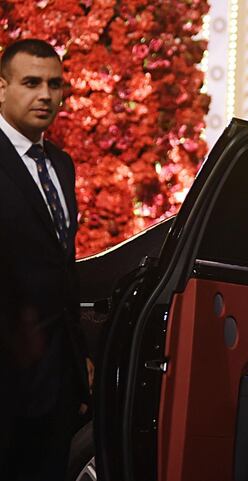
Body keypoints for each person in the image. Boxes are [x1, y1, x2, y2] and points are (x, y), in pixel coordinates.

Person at [0, 39, 92, 481]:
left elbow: (62, 266)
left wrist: (78, 360)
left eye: (55, 84)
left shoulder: (61, 163)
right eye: (31, 83)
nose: (46, 95)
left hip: (57, 377)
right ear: (2, 88)